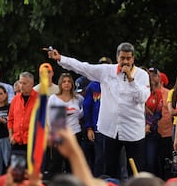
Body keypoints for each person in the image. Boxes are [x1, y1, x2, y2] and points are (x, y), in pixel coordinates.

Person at [47, 42, 150, 179]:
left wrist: (131, 80)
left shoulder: (142, 75)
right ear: (117, 57)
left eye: (128, 58)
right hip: (110, 129)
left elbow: (142, 98)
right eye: (122, 58)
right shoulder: (106, 71)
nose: (125, 61)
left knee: (136, 169)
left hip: (133, 130)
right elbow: (83, 67)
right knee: (110, 169)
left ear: (133, 59)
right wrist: (61, 59)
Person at [45, 72, 84, 175]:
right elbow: (48, 117)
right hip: (58, 134)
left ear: (72, 84)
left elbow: (82, 113)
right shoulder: (53, 98)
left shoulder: (78, 99)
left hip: (75, 133)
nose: (66, 84)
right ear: (60, 84)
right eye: (64, 82)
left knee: (72, 163)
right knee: (56, 163)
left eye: (69, 82)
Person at [83, 56, 112, 177]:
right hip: (98, 128)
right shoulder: (92, 86)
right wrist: (89, 128)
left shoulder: (116, 84)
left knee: (114, 158)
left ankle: (115, 183)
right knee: (99, 158)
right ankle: (98, 183)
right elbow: (87, 107)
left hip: (114, 128)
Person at [8, 71, 38, 153]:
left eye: (24, 83)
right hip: (17, 140)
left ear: (32, 84)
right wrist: (11, 136)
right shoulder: (15, 99)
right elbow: (10, 119)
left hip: (33, 141)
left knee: (33, 166)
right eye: (20, 82)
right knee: (17, 165)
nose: (21, 86)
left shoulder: (39, 99)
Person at [145, 67, 163, 177]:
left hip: (151, 132)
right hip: (134, 131)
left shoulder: (157, 94)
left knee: (151, 161)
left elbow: (158, 114)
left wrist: (148, 125)